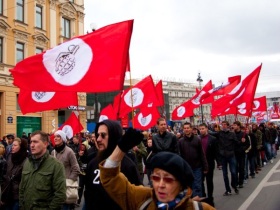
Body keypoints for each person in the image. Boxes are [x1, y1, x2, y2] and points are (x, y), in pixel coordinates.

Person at [99, 128, 215, 210]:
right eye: (155, 178)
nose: (160, 185)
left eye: (168, 179)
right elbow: (110, 178)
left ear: (181, 184)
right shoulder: (142, 199)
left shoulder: (200, 208)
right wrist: (121, 148)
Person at [84, 120, 142, 210]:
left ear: (114, 137)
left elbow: (137, 199)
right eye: (97, 135)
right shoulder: (92, 164)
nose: (98, 139)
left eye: (103, 135)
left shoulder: (127, 165)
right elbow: (88, 195)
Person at [19, 130, 66, 210]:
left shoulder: (56, 166)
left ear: (45, 144)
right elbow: (22, 189)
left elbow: (60, 195)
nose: (32, 145)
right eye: (31, 142)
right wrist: (22, 206)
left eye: (35, 142)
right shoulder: (27, 163)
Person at [178, 122, 208, 198]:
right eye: (185, 128)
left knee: (197, 186)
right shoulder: (181, 141)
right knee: (189, 187)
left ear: (191, 129)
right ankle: (191, 204)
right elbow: (179, 156)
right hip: (186, 168)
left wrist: (205, 166)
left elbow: (202, 153)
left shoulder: (197, 139)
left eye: (188, 128)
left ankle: (197, 204)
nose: (186, 129)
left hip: (197, 167)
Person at [51, 130, 80, 210]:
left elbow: (76, 169)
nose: (55, 138)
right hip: (54, 188)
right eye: (55, 136)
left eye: (58, 136)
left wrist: (68, 182)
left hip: (65, 188)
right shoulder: (53, 152)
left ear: (63, 139)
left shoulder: (69, 152)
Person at [1, 138, 28, 210]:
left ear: (21, 147)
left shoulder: (26, 161)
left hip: (18, 196)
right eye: (12, 145)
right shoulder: (9, 157)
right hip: (7, 194)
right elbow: (4, 174)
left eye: (15, 145)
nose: (12, 147)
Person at [199, 123, 219, 207]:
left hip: (210, 163)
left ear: (207, 129)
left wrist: (219, 162)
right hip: (200, 164)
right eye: (200, 129)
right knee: (200, 182)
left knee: (209, 181)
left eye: (203, 128)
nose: (201, 130)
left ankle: (210, 197)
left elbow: (216, 152)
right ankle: (203, 197)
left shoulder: (213, 139)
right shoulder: (197, 139)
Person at [217, 121, 239, 196]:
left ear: (228, 126)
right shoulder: (219, 133)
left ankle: (234, 185)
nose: (223, 126)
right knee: (224, 174)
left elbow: (237, 143)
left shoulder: (232, 134)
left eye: (225, 125)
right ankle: (228, 189)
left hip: (231, 155)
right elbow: (211, 134)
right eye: (222, 125)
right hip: (223, 156)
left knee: (233, 172)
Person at [232, 121, 250, 188]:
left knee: (241, 168)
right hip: (234, 153)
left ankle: (241, 182)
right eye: (233, 125)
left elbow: (248, 144)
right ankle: (236, 182)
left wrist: (243, 148)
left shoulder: (244, 134)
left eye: (235, 125)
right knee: (235, 169)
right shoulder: (232, 134)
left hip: (242, 154)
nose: (234, 126)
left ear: (239, 126)